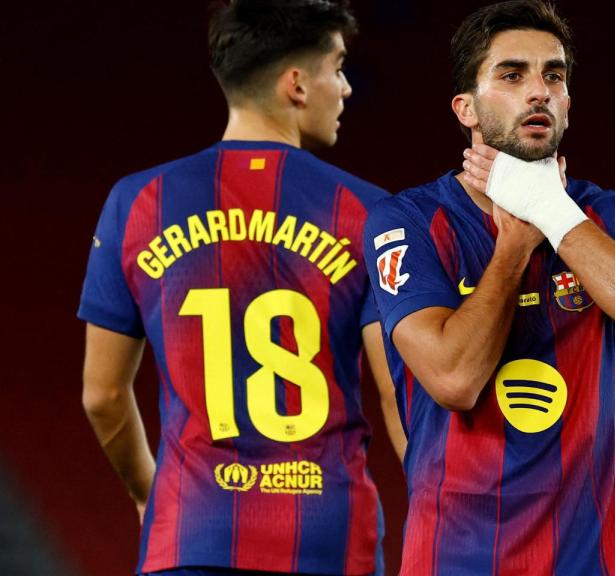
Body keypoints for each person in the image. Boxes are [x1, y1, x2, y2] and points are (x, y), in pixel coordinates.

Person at [78, 1, 402, 574]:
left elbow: (101, 396)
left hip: (190, 535)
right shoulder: (368, 211)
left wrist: (149, 494)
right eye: (337, 67)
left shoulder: (138, 203)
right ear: (296, 84)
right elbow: (398, 396)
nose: (346, 87)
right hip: (329, 540)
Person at [362, 1, 615, 574]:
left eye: (553, 76)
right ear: (466, 108)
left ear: (568, 102)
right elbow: (454, 379)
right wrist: (514, 245)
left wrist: (549, 209)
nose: (539, 91)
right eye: (512, 75)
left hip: (590, 560)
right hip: (455, 559)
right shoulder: (407, 221)